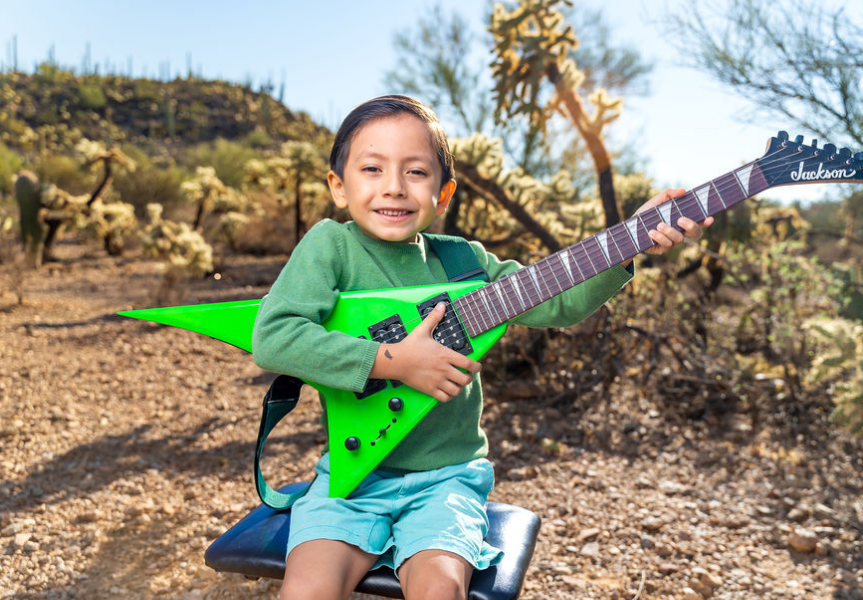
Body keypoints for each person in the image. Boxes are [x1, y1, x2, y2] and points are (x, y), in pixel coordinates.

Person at [251, 95, 711, 600]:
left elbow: (559, 302)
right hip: (350, 481)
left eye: (417, 172)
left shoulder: (464, 265)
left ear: (443, 193)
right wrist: (394, 362)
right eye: (372, 168)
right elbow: (275, 337)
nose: (394, 187)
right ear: (338, 187)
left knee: (440, 590)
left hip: (443, 482)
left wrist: (632, 241)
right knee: (307, 590)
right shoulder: (331, 247)